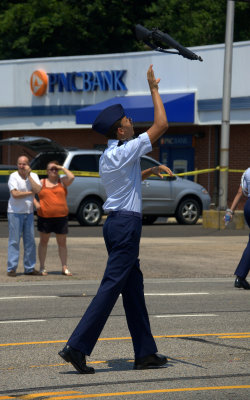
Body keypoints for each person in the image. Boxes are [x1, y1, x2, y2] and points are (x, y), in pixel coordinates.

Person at [58, 65, 173, 373]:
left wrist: (151, 170)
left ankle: (146, 353)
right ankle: (77, 346)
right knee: (111, 287)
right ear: (120, 131)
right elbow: (162, 124)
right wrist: (153, 88)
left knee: (133, 288)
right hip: (125, 226)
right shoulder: (127, 149)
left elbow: (126, 180)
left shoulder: (111, 155)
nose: (132, 122)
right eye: (127, 121)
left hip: (116, 225)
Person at [34, 161, 75, 276]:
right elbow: (31, 193)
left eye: (55, 169)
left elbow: (72, 177)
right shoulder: (41, 182)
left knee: (62, 243)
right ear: (47, 171)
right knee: (43, 242)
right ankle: (42, 267)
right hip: (45, 217)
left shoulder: (62, 182)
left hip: (61, 218)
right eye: (51, 169)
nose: (54, 171)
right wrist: (36, 203)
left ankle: (64, 267)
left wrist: (61, 167)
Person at [7, 155, 42, 277]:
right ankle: (11, 268)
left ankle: (29, 268)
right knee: (14, 241)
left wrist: (29, 176)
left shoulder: (34, 176)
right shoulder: (13, 176)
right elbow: (15, 194)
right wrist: (29, 193)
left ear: (29, 165)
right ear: (17, 165)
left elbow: (37, 189)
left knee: (30, 241)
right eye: (19, 163)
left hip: (29, 212)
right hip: (15, 212)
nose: (22, 166)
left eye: (24, 164)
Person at [224, 168, 250, 290]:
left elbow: (240, 192)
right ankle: (240, 276)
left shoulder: (248, 171)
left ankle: (241, 277)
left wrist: (230, 211)